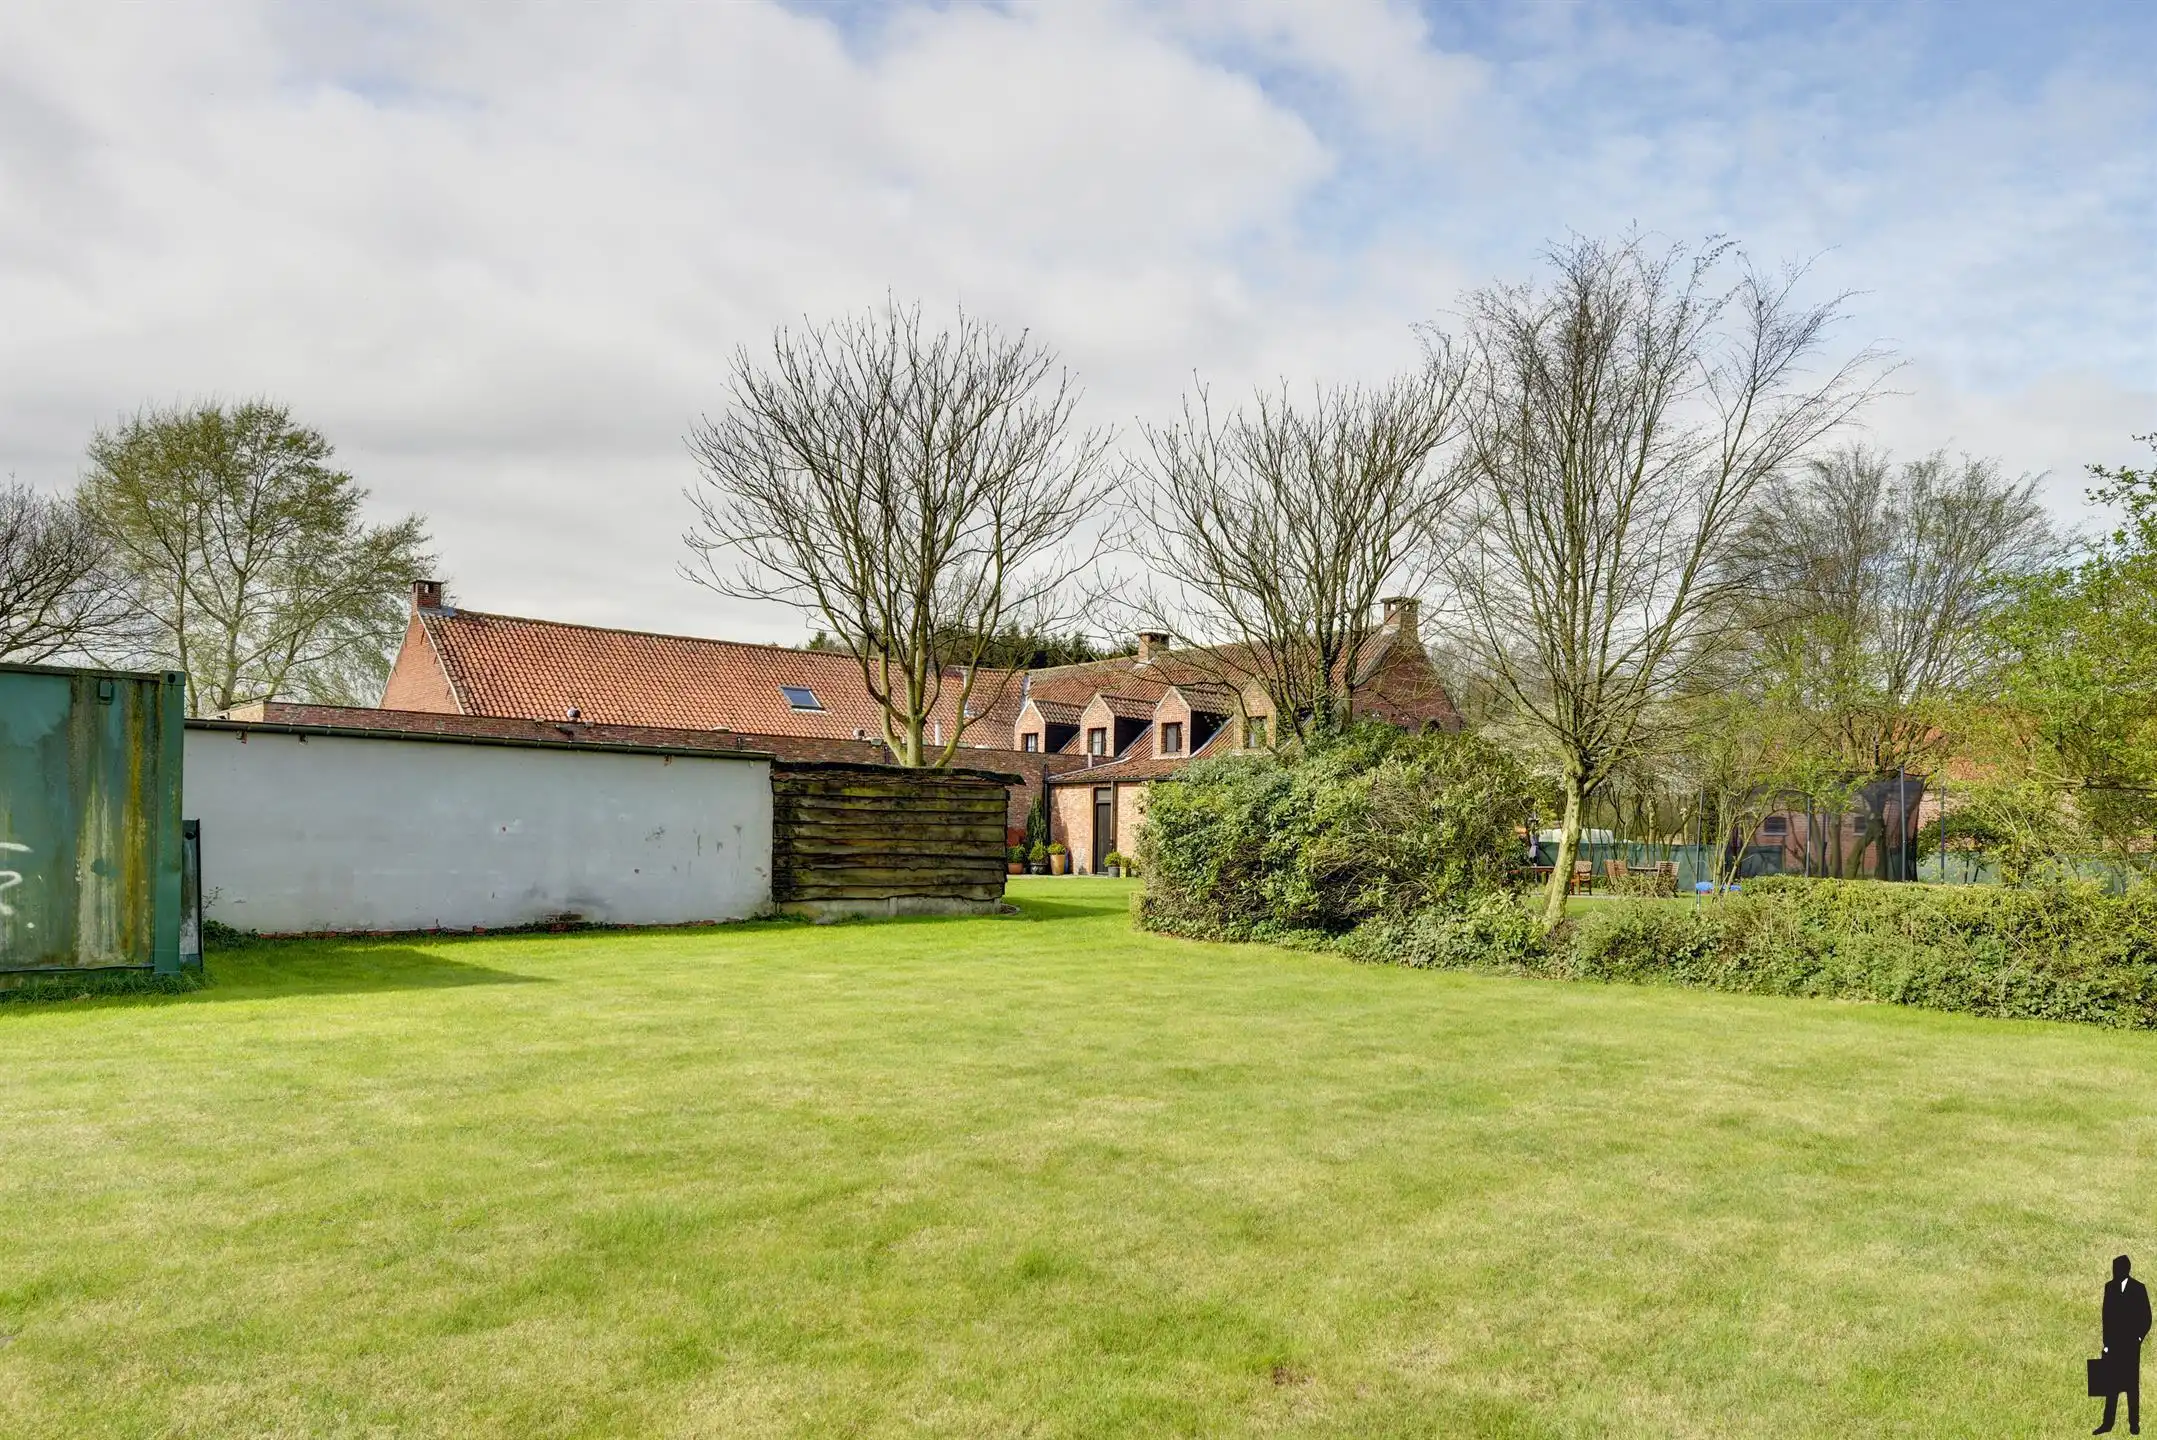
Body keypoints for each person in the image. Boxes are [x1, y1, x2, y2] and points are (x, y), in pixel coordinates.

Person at [2098, 1254, 2152, 1434]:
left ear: (2125, 1269)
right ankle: (2107, 1423)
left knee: (2131, 1386)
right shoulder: (2110, 1287)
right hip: (2113, 1345)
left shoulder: (2138, 1288)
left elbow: (2146, 1317)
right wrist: (2106, 1343)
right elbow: (2106, 1317)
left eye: (2118, 1268)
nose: (2115, 1272)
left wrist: (2138, 1338)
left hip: (2130, 1346)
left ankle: (2134, 1424)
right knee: (2110, 1385)